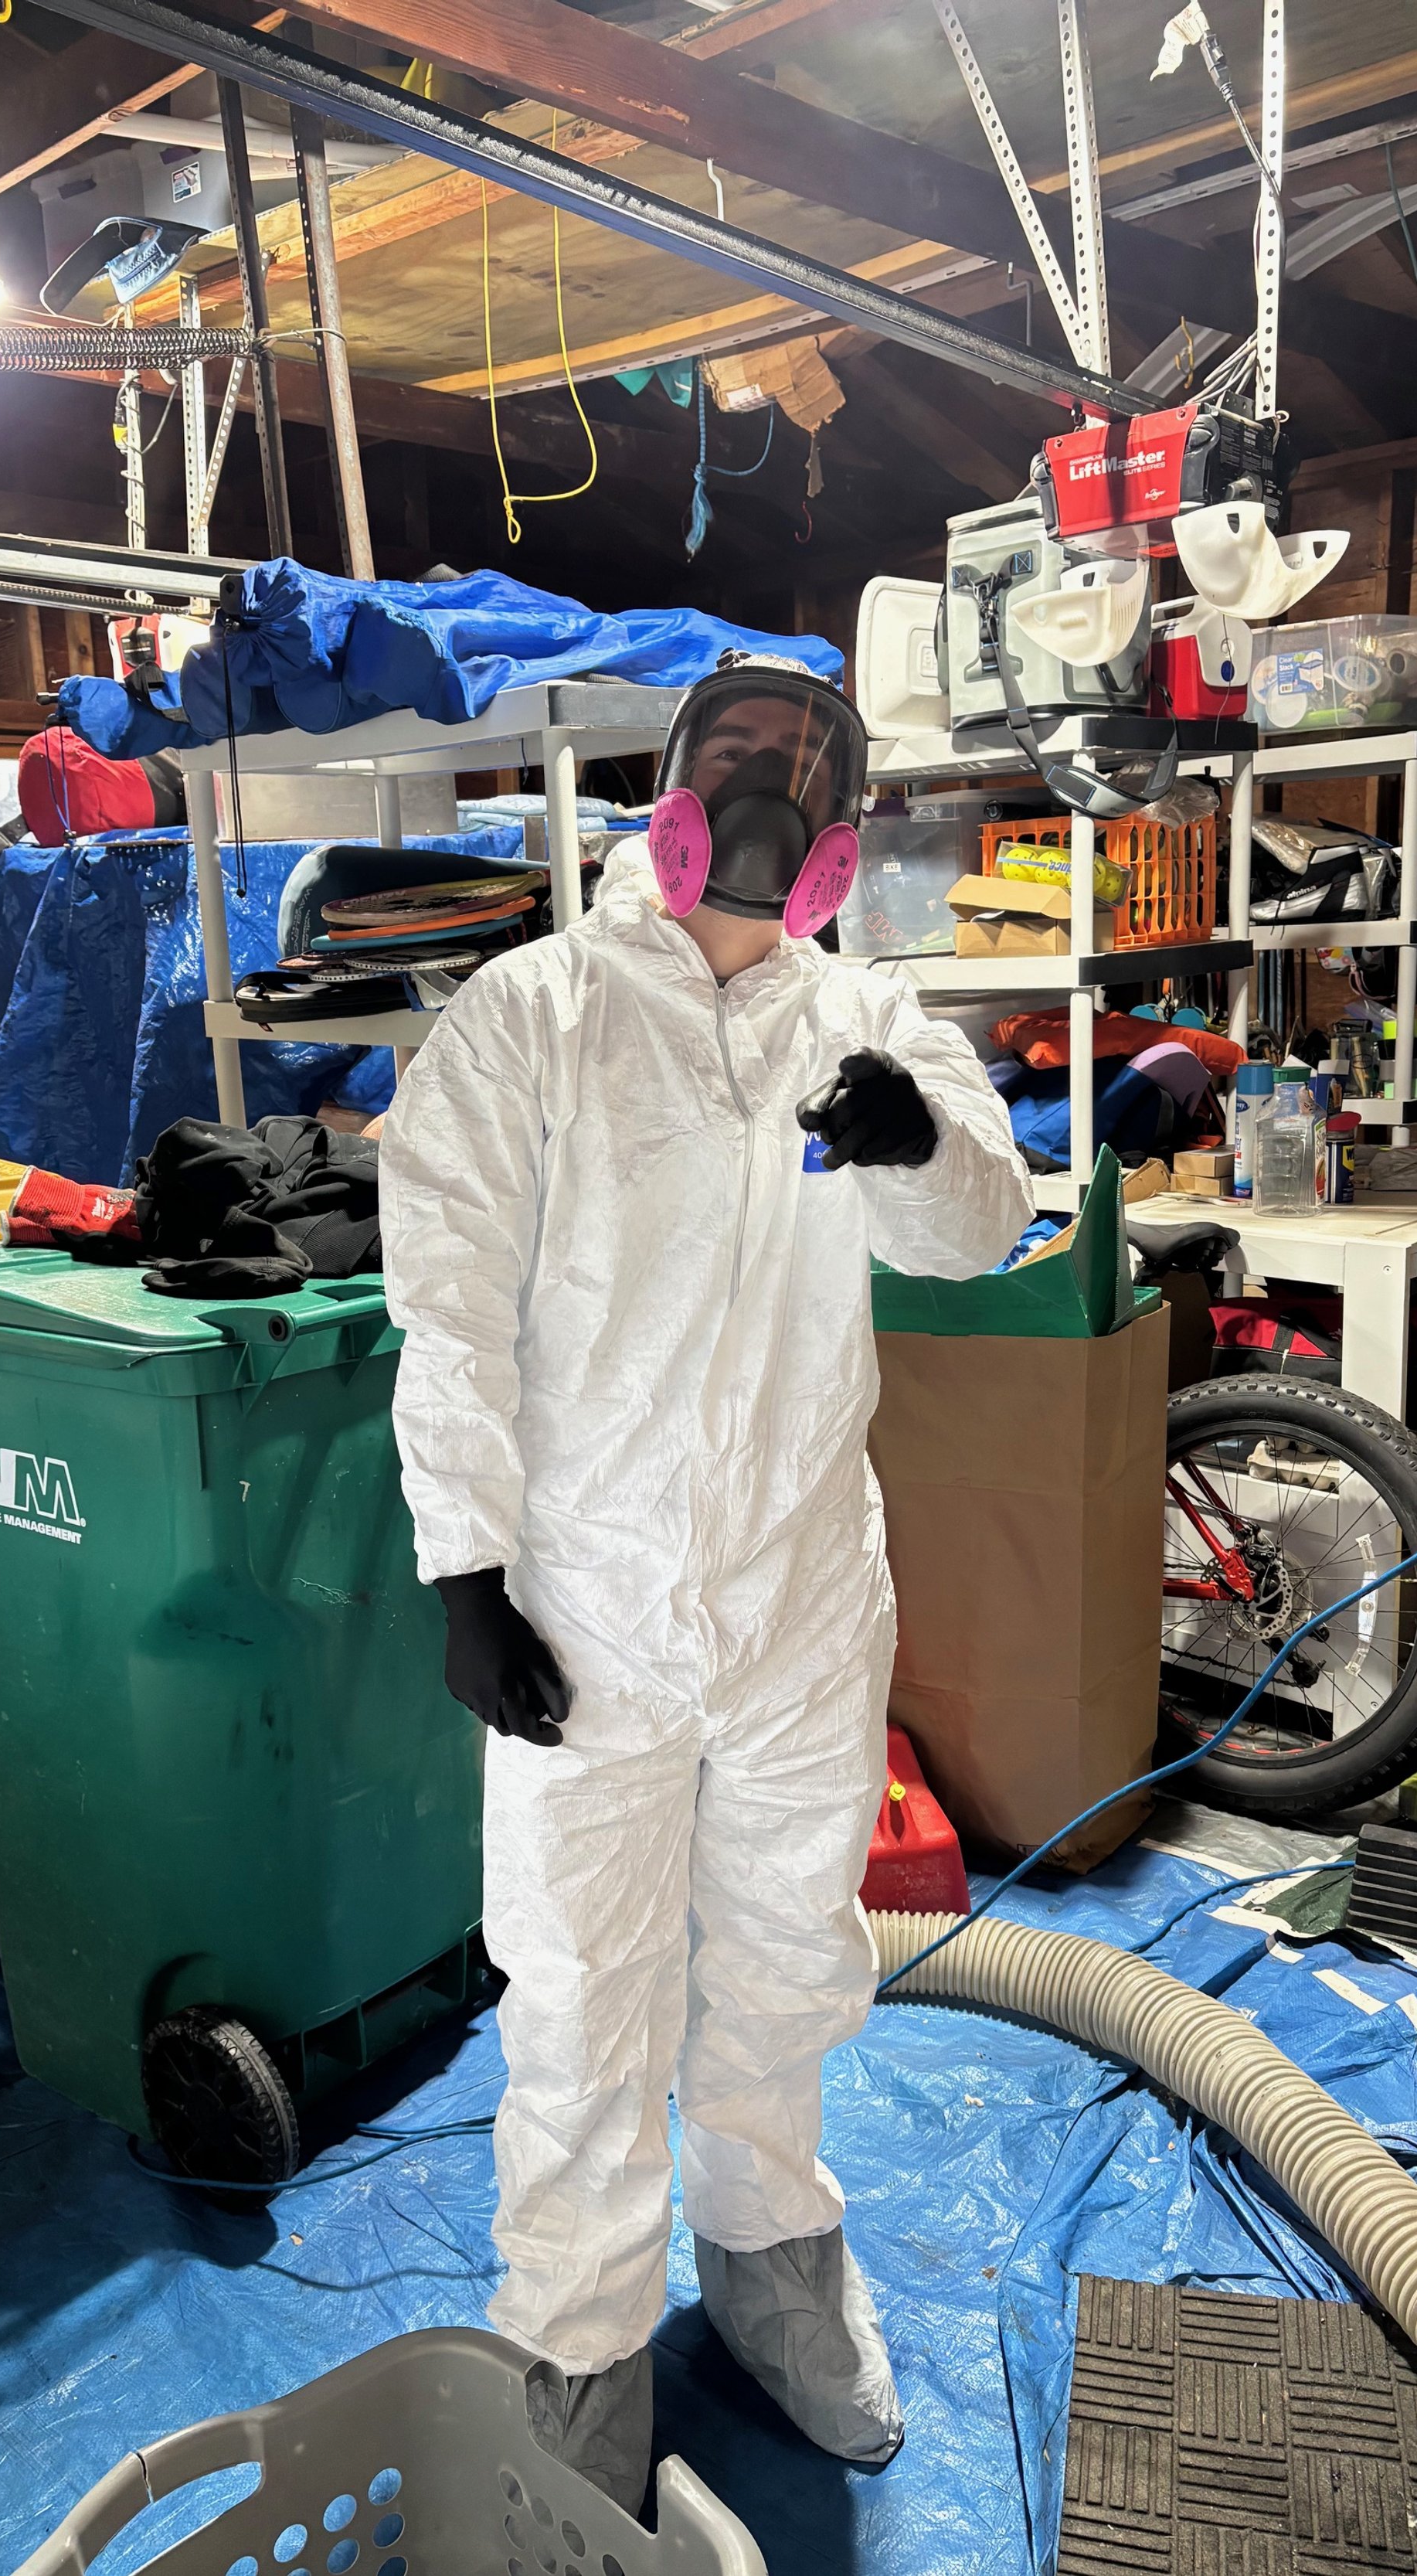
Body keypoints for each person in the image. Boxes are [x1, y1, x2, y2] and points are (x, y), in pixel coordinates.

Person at [380, 655, 1033, 2510]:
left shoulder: (874, 1013)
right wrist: (467, 1570)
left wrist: (913, 1137)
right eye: (735, 758)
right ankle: (577, 2338)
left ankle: (770, 2267)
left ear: (844, 830)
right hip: (584, 1591)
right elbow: (447, 1304)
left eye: (807, 770)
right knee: (583, 1981)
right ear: (666, 786)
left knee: (780, 1953)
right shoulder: (536, 1014)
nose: (768, 791)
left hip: (800, 1594)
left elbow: (981, 1224)